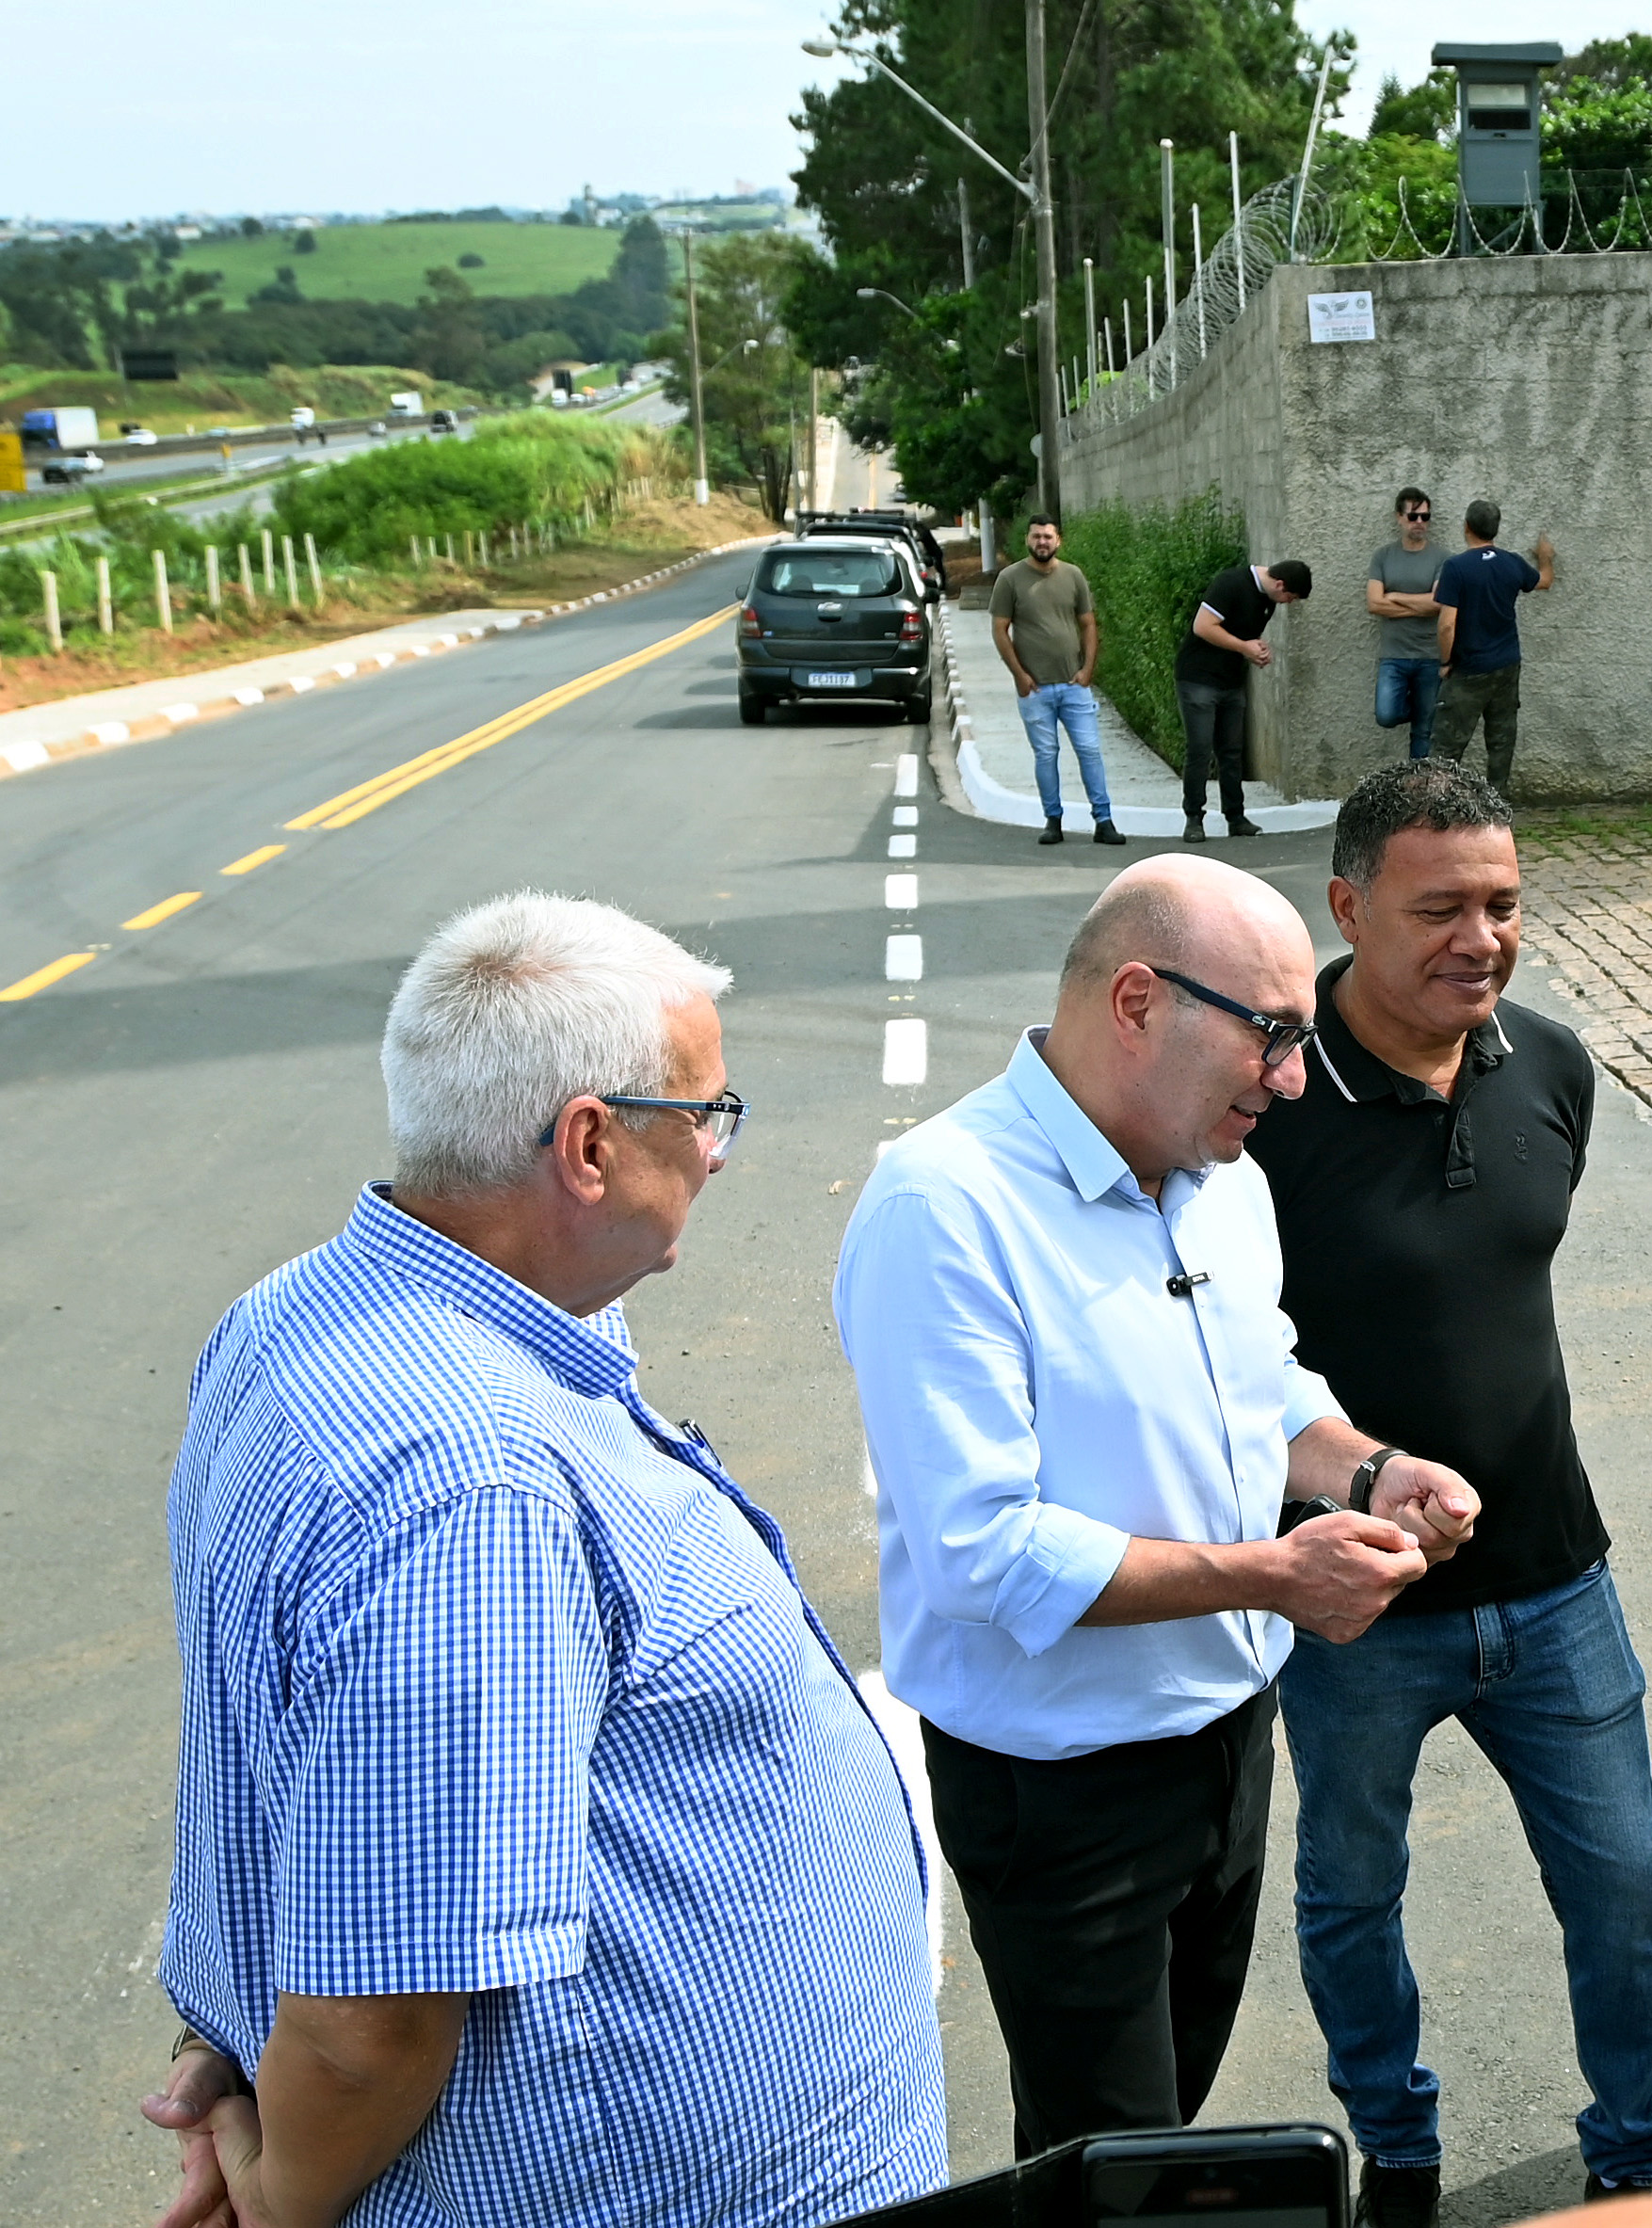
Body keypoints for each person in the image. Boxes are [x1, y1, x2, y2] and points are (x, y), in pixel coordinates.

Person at [140, 894, 944, 2228]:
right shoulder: (475, 1487)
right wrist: (274, 2192)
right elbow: (371, 2017)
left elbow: (294, 1760)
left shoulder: (302, 1312)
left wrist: (224, 2035)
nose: (720, 1149)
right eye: (705, 1111)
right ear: (588, 1142)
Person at [834, 854, 1482, 2159]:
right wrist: (1273, 1574)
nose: (1293, 1079)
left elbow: (1263, 1387)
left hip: (1228, 1742)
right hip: (1060, 1786)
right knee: (1109, 2156)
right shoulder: (945, 1206)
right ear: (1137, 998)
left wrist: (1364, 1468)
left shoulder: (1223, 1177)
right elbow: (985, 1553)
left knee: (1159, 2124)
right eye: (1274, 1034)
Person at [1247, 763, 1652, 2222]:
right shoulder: (1267, 1100)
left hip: (1557, 1581)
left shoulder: (1550, 1064)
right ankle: (1401, 2144)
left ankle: (1633, 2146)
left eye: (1502, 904)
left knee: (1627, 1883)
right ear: (1347, 904)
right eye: (1439, 908)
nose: (1479, 938)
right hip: (1352, 1598)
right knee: (1350, 1892)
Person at [994, 514, 1124, 847]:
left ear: (1058, 540)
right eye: (1036, 536)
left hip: (1073, 686)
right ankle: (1053, 820)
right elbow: (999, 629)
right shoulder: (1010, 579)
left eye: (1048, 537)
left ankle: (1104, 820)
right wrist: (1019, 676)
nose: (1042, 542)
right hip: (1035, 689)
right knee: (1046, 754)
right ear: (1027, 540)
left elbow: (1089, 624)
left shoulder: (1073, 576)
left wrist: (1088, 670)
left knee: (1090, 751)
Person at [1176, 558, 1314, 842]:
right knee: (1200, 750)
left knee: (1231, 751)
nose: (1288, 603)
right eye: (1290, 597)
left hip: (1230, 680)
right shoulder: (1231, 583)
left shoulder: (1268, 600)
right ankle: (1194, 818)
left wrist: (1257, 650)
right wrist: (1244, 647)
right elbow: (1203, 626)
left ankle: (1235, 816)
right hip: (1198, 677)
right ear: (1280, 584)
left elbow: (1245, 636)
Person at [1433, 498, 1559, 794]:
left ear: (1465, 526)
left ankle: (1438, 809)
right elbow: (1544, 581)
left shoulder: (1455, 567)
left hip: (1469, 670)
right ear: (1496, 529)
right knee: (1501, 742)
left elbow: (1446, 625)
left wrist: (1445, 662)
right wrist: (1545, 556)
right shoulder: (1512, 562)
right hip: (1507, 666)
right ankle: (1497, 811)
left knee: (1447, 746)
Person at [1370, 487, 1448, 760]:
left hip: (1430, 656)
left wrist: (1395, 598)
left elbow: (1438, 605)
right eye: (1413, 516)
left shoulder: (1441, 558)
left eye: (1425, 517)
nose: (1420, 523)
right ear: (1398, 517)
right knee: (1386, 714)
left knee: (1423, 732)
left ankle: (1418, 790)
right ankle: (1418, 706)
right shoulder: (1383, 557)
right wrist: (1420, 605)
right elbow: (1374, 604)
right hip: (1394, 656)